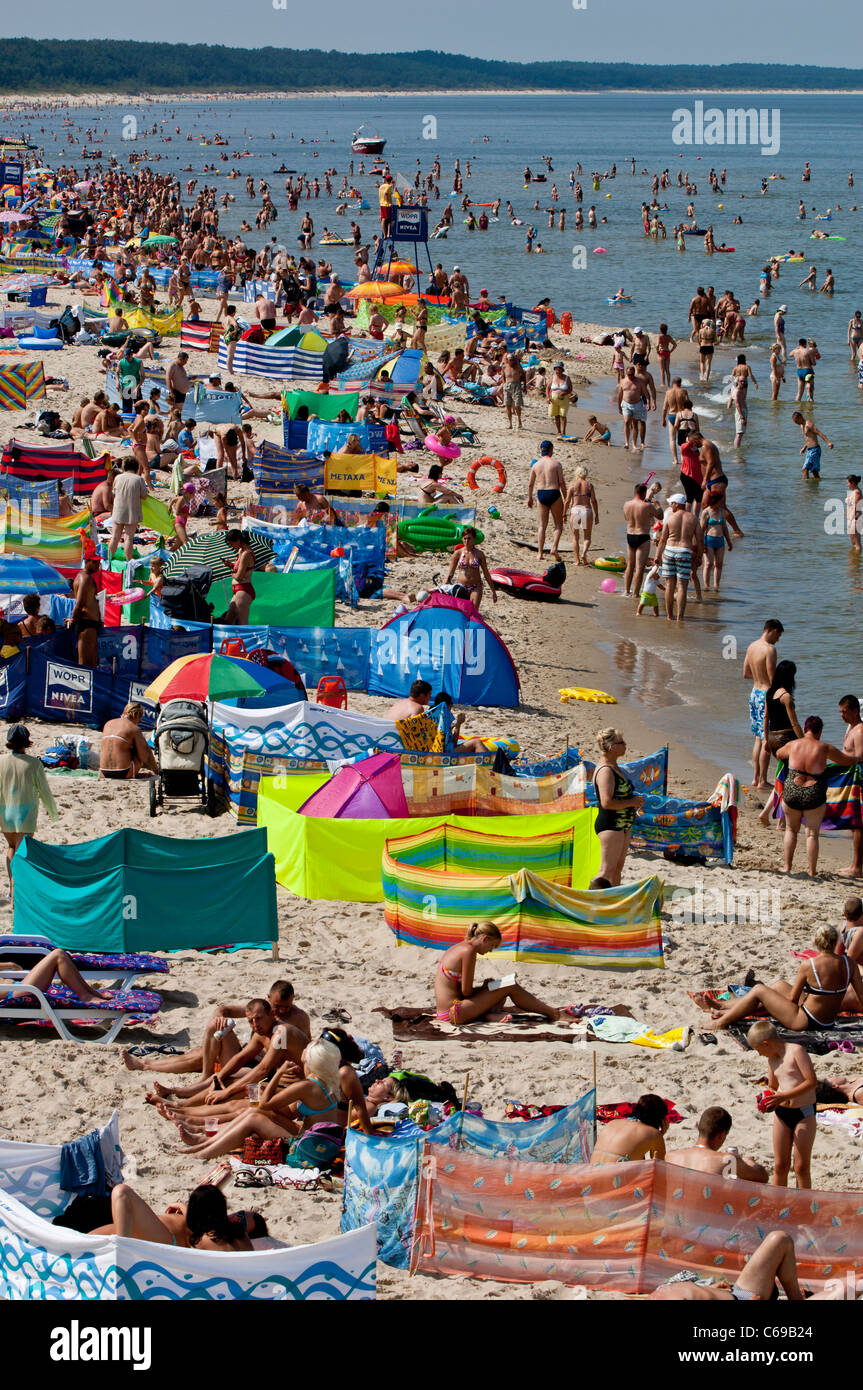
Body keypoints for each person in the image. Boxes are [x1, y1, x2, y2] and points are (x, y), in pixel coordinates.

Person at [172, 1039, 348, 1159]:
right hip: (318, 1143)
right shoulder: (327, 1083)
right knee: (254, 1111)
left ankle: (203, 1152)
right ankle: (205, 1141)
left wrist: (278, 1074)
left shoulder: (308, 1086)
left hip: (307, 1149)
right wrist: (268, 1100)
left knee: (255, 1116)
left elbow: (264, 1104)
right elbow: (289, 1111)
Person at [708, 923, 863, 1033]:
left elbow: (793, 999)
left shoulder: (810, 965)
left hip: (806, 1021)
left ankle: (721, 1022)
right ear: (835, 942)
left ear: (816, 942)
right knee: (779, 985)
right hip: (828, 1021)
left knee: (759, 990)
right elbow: (861, 995)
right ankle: (723, 1007)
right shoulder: (850, 964)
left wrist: (773, 1005)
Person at [433, 920, 566, 1025]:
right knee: (510, 986)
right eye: (492, 946)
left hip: (448, 1011)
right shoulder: (469, 951)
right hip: (453, 1013)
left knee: (499, 990)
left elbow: (459, 990)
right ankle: (555, 1014)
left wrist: (485, 989)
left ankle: (488, 1015)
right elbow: (466, 992)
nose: (490, 951)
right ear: (485, 939)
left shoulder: (460, 947)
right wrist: (485, 989)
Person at [777, 716, 858, 875]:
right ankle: (812, 871)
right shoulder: (824, 747)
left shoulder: (794, 744)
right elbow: (847, 761)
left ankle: (787, 867)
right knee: (812, 834)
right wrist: (857, 757)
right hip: (814, 793)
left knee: (791, 830)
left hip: (792, 790)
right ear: (819, 731)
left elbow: (779, 754)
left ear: (805, 729)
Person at [651, 1231, 830, 1301]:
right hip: (743, 1298)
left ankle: (795, 1298)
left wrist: (710, 1288)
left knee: (779, 1239)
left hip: (736, 1292)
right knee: (846, 1290)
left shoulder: (659, 1293)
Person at [747, 1020, 817, 1189]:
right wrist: (767, 1098)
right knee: (780, 1165)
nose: (759, 1054)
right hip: (782, 1113)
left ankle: (804, 1205)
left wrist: (782, 1096)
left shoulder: (796, 1052)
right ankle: (778, 1205)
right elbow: (774, 1087)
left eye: (758, 1050)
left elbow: (811, 1082)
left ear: (766, 1043)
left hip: (804, 1113)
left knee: (801, 1167)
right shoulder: (772, 1060)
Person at [92, 1183, 261, 1249]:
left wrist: (184, 1207)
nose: (238, 1217)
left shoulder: (204, 1238)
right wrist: (183, 1207)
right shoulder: (237, 1234)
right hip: (151, 1230)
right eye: (241, 1215)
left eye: (242, 1220)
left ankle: (122, 1252)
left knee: (121, 1192)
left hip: (164, 1238)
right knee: (89, 1238)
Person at [0, 724, 58, 894]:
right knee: (21, 853)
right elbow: (44, 790)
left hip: (5, 811)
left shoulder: (1, 761)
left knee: (12, 847)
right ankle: (15, 891)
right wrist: (52, 811)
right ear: (27, 742)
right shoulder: (34, 764)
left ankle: (13, 888)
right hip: (25, 813)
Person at [591, 727, 643, 885]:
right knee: (606, 871)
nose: (625, 745)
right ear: (613, 747)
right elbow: (606, 802)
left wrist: (633, 800)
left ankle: (612, 904)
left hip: (623, 825)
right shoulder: (606, 771)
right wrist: (632, 802)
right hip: (611, 824)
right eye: (622, 742)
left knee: (616, 870)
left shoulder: (614, 767)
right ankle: (592, 903)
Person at [666, 1106, 768, 1181]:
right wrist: (749, 1162)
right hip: (707, 1210)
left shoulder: (670, 1156)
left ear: (698, 1127)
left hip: (674, 1209)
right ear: (721, 1135)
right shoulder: (728, 1160)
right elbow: (762, 1177)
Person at [744, 619, 784, 791]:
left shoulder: (751, 646)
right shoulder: (770, 649)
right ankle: (762, 781)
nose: (778, 640)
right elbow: (772, 678)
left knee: (758, 738)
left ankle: (755, 778)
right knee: (766, 739)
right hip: (766, 696)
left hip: (754, 694)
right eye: (779, 636)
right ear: (774, 630)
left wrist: (759, 678)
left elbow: (746, 673)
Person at [654, 493, 701, 623]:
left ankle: (669, 616)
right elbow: (700, 540)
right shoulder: (693, 519)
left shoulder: (670, 518)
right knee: (682, 586)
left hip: (669, 551)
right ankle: (680, 617)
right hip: (684, 552)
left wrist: (658, 555)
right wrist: (699, 556)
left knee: (669, 585)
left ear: (677, 504)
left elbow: (663, 540)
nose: (670, 505)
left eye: (671, 503)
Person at [589, 1093, 668, 1165]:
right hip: (613, 1178)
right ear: (658, 1118)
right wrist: (660, 1134)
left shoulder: (613, 1122)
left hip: (589, 1174)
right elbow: (658, 1166)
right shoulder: (653, 1134)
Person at [527, 439, 566, 562]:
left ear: (541, 450)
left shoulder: (536, 465)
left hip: (541, 493)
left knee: (542, 525)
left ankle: (540, 553)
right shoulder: (556, 464)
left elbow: (530, 484)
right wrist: (566, 498)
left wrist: (530, 498)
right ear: (551, 450)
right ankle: (554, 548)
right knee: (558, 524)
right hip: (554, 492)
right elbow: (561, 483)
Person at [99, 703, 158, 781]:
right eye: (140, 719)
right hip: (123, 772)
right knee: (143, 750)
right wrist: (156, 770)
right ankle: (157, 771)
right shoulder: (133, 728)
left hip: (103, 772)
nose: (139, 722)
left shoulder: (108, 724)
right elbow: (145, 756)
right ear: (137, 715)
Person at [108, 457, 148, 563]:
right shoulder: (139, 479)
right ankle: (129, 561)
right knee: (129, 538)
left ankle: (107, 559)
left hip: (118, 510)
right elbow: (144, 496)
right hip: (132, 511)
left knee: (115, 537)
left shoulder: (118, 478)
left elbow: (114, 493)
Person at [445, 526, 496, 608]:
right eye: (464, 538)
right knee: (461, 611)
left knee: (473, 611)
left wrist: (493, 591)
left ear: (474, 539)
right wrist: (445, 585)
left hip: (476, 586)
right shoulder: (457, 553)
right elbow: (451, 572)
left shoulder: (479, 554)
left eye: (469, 538)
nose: (466, 541)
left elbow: (486, 573)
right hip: (461, 586)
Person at [66, 553, 103, 666]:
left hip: (89, 623)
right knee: (87, 664)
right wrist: (73, 618)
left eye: (99, 562)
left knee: (91, 662)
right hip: (86, 624)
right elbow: (80, 602)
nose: (98, 565)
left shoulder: (84, 577)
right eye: (95, 562)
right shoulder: (85, 578)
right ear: (86, 561)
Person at [564, 465, 599, 566]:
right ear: (585, 474)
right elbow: (593, 501)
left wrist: (564, 514)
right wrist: (597, 515)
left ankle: (577, 560)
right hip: (586, 510)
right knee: (587, 537)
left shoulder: (572, 485)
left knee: (575, 537)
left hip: (575, 511)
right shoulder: (589, 485)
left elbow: (567, 501)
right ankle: (584, 553)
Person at [221, 529, 256, 625]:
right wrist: (231, 565)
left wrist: (231, 572)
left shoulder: (246, 554)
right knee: (228, 621)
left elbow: (239, 576)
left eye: (232, 544)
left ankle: (244, 640)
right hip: (238, 591)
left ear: (238, 540)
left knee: (242, 624)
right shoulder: (241, 551)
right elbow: (241, 569)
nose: (232, 546)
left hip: (244, 590)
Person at [792, 410, 832, 478]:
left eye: (796, 421)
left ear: (800, 417)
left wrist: (828, 442)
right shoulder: (802, 426)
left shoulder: (808, 424)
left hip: (815, 450)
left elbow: (819, 433)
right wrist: (804, 448)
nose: (796, 423)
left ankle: (806, 487)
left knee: (804, 469)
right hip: (809, 450)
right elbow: (809, 439)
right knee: (814, 472)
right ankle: (814, 488)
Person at [546, 362, 574, 436]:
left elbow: (570, 389)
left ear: (562, 370)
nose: (557, 371)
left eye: (559, 370)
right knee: (556, 415)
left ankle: (563, 432)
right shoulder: (553, 377)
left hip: (564, 399)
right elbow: (548, 388)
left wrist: (564, 393)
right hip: (553, 399)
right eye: (556, 370)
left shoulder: (567, 378)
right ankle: (558, 431)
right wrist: (548, 397)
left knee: (563, 415)